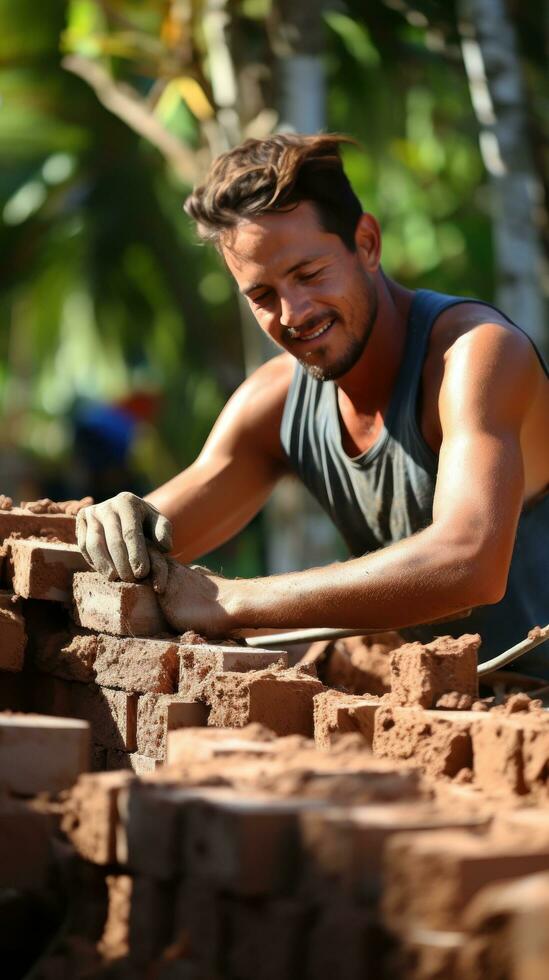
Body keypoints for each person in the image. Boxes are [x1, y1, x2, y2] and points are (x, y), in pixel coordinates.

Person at [76, 134, 549, 675]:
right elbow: (148, 538)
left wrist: (229, 600)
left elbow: (470, 563)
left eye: (309, 274)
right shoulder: (276, 402)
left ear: (366, 243)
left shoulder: (476, 356)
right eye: (262, 296)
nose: (293, 312)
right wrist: (114, 519)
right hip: (446, 720)